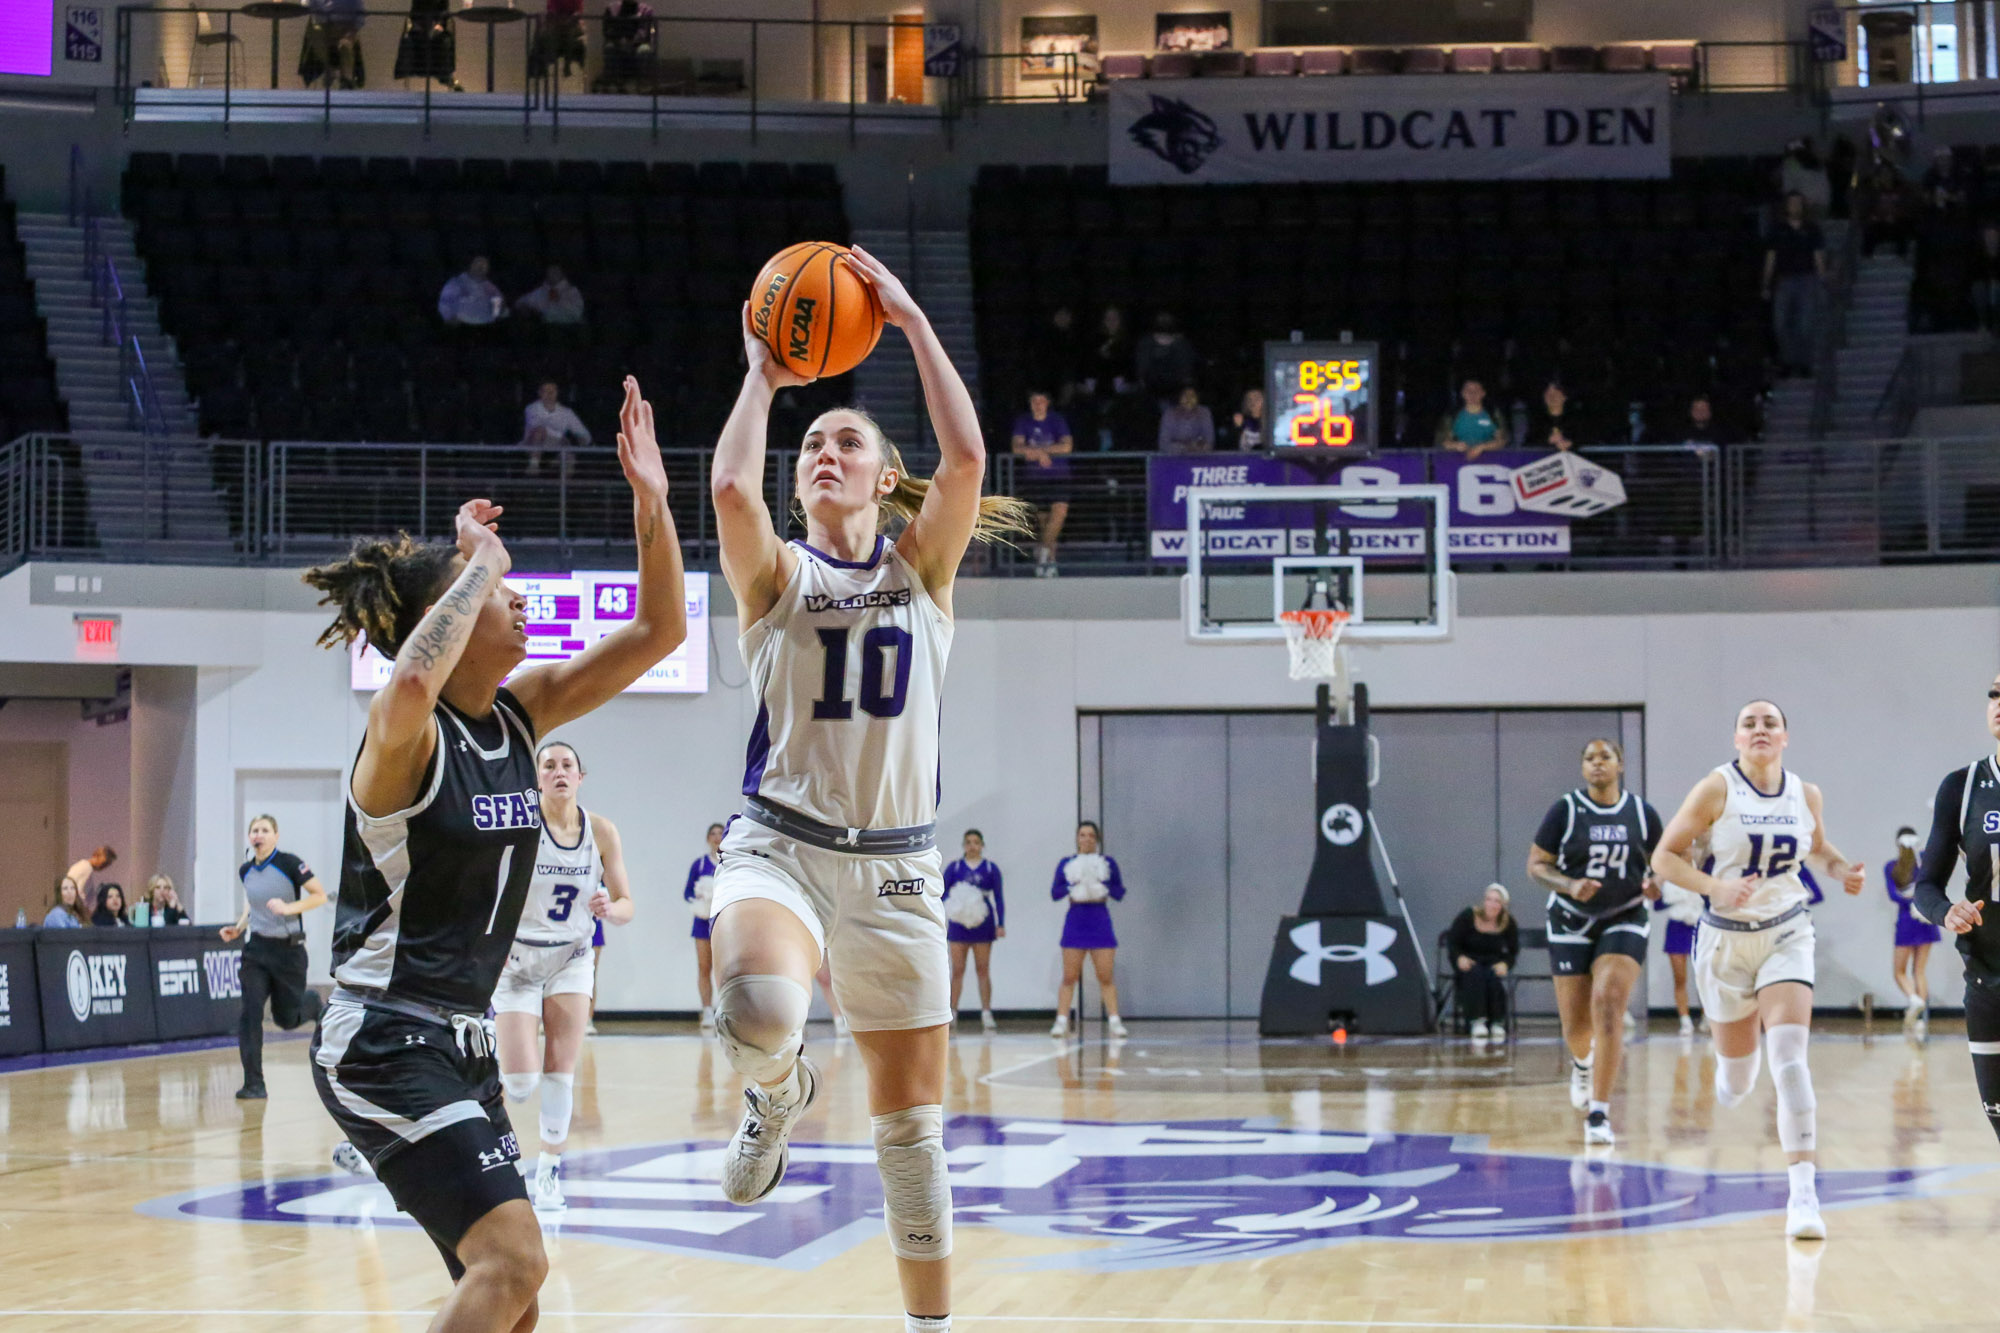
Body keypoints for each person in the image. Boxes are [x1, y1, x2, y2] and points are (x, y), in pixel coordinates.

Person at [299, 375, 684, 1326]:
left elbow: (659, 629)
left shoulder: (521, 714)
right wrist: (477, 566)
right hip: (383, 1035)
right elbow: (409, 682)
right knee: (511, 1261)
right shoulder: (403, 742)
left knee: (518, 1295)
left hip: (459, 1035)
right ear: (458, 617)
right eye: (502, 597)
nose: (519, 605)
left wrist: (653, 501)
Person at [704, 243, 1031, 1333]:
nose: (824, 452)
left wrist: (909, 323)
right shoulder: (775, 574)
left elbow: (970, 459)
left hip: (896, 862)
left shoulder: (919, 572)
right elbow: (726, 484)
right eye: (812, 444)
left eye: (846, 439)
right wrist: (763, 373)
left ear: (885, 476)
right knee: (756, 1011)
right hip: (780, 841)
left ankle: (927, 1329)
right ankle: (777, 1092)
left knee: (911, 1140)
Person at [1652, 699, 1867, 1240]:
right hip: (1724, 941)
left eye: (1770, 722)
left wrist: (1840, 868)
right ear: (1736, 739)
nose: (1760, 729)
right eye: (1750, 722)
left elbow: (1815, 847)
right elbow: (1665, 858)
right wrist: (1715, 887)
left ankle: (1803, 1197)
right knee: (1737, 1079)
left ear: (1785, 737)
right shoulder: (1715, 789)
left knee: (1790, 1059)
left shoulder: (1805, 793)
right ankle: (1727, 1074)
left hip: (1786, 932)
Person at [494, 740, 634, 1214]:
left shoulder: (601, 831)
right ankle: (493, 1138)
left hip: (572, 957)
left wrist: (610, 909)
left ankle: (549, 1171)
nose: (558, 771)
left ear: (580, 776)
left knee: (561, 1070)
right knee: (518, 1083)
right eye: (548, 765)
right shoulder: (518, 825)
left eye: (566, 765)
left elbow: (627, 904)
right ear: (536, 778)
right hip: (516, 962)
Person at [1527, 739, 1663, 1145]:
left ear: (1620, 765)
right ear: (1583, 768)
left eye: (1606, 756)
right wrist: (1570, 884)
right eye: (1590, 758)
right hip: (1571, 918)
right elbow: (1536, 865)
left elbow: (1669, 859)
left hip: (1625, 915)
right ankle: (1582, 1065)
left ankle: (1600, 1113)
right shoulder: (1566, 810)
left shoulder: (1641, 813)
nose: (1598, 763)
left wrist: (1658, 880)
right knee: (1576, 1026)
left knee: (1608, 1001)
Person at [1913, 671, 2000, 1145]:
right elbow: (1926, 884)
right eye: (1994, 693)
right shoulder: (1963, 786)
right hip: (1988, 974)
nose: (1998, 701)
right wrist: (1946, 911)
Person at [219, 814, 328, 1100]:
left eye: (265, 830)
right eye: (254, 830)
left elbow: (319, 896)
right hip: (257, 950)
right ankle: (254, 1083)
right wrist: (239, 927)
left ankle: (313, 1004)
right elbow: (251, 904)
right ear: (249, 837)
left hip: (288, 953)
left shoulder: (290, 864)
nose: (259, 834)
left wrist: (288, 908)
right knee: (250, 1012)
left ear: (276, 836)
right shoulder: (246, 870)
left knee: (286, 1019)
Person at [1050, 820, 1127, 1039]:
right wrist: (1072, 885)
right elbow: (1055, 893)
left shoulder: (1107, 862)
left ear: (1097, 839)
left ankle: (1114, 1021)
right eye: (1082, 835)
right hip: (1076, 920)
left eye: (1091, 835)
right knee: (1069, 976)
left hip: (1100, 919)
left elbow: (1120, 892)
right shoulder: (1067, 863)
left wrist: (1103, 885)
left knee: (1105, 976)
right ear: (1077, 838)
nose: (1087, 839)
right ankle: (1061, 1021)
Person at [942, 829, 1004, 1033]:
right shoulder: (955, 867)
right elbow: (941, 894)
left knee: (983, 969)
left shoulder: (990, 868)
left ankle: (986, 1013)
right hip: (959, 924)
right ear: (963, 845)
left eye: (976, 842)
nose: (972, 846)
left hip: (983, 922)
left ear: (982, 845)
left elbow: (999, 897)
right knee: (957, 970)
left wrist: (1000, 923)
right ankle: (952, 1013)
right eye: (968, 842)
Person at [1009, 391, 1073, 578]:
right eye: (1034, 401)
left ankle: (1043, 551)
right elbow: (1017, 447)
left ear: (1047, 402)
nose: (1038, 404)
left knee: (1059, 513)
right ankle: (1049, 562)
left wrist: (1038, 452)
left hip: (1059, 475)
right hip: (1035, 478)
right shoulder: (1024, 421)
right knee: (1044, 521)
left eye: (1041, 400)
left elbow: (1067, 446)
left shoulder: (1057, 420)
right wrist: (1042, 454)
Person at [1764, 192, 1826, 379]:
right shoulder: (1778, 229)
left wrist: (1823, 280)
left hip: (1806, 279)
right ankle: (1788, 362)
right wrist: (1766, 284)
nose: (1795, 206)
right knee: (1780, 324)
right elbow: (1771, 258)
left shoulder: (1812, 229)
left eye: (1798, 203)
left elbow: (1818, 257)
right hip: (1784, 280)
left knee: (1805, 325)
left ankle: (1804, 362)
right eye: (1792, 203)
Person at [1448, 883, 1518, 1041]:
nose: (1492, 904)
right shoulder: (1468, 916)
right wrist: (1459, 958)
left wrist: (1506, 964)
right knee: (1475, 975)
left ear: (1503, 905)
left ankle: (1497, 1022)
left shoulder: (1508, 923)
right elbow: (1453, 942)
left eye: (1497, 901)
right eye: (1489, 899)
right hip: (1470, 960)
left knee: (1493, 977)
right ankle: (1477, 1021)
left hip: (1493, 961)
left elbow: (1513, 951)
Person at [1884, 825, 1938, 1028]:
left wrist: (1909, 902)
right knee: (1919, 971)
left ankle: (1914, 1001)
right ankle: (1920, 1018)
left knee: (1899, 971)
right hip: (1924, 919)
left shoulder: (1894, 866)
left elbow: (1893, 896)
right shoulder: (1920, 862)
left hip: (1907, 921)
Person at [686, 822, 724, 1034]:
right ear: (708, 838)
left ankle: (725, 1010)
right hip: (702, 921)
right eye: (713, 834)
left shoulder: (729, 862)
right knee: (704, 966)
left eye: (720, 833)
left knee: (723, 967)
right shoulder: (699, 865)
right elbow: (687, 893)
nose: (717, 837)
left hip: (722, 922)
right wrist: (699, 897)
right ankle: (707, 1009)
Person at [522, 380, 592, 477]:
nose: (549, 394)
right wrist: (561, 437)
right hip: (533, 445)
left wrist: (581, 440)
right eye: (546, 391)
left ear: (557, 392)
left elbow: (584, 434)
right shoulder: (531, 408)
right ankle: (533, 465)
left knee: (570, 455)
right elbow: (537, 427)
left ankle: (565, 486)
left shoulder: (567, 412)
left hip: (557, 447)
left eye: (552, 391)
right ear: (539, 393)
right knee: (539, 431)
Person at [1435, 378, 1506, 460]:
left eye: (1476, 390)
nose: (1472, 394)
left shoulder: (1493, 414)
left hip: (1492, 460)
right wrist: (1455, 445)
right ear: (1462, 393)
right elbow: (1443, 441)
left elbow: (1502, 441)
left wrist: (1481, 447)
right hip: (1458, 460)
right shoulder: (1452, 415)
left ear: (1483, 393)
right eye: (1468, 390)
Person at [437, 257, 505, 329]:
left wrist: (496, 316)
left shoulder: (491, 287)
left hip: (486, 327)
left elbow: (498, 303)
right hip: (462, 326)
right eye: (478, 264)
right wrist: (448, 317)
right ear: (471, 265)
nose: (480, 267)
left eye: (484, 266)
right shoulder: (458, 282)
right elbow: (445, 301)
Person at [514, 266, 586, 328]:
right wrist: (523, 307)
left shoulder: (572, 291)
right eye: (550, 270)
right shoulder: (540, 291)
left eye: (556, 271)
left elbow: (575, 315)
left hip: (570, 331)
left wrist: (545, 315)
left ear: (562, 273)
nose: (552, 274)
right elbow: (521, 301)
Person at [1525, 380, 1587, 451]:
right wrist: (1548, 440)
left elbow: (1586, 439)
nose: (1552, 397)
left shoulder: (1576, 418)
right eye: (1548, 394)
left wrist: (1571, 443)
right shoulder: (1537, 420)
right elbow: (1528, 443)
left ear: (1564, 397)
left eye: (1556, 394)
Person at [1156, 385, 1215, 455]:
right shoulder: (1169, 414)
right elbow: (1163, 445)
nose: (1188, 399)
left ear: (1198, 399)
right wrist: (1186, 447)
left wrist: (1198, 447)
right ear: (1179, 398)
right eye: (1185, 396)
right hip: (1173, 458)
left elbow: (1209, 442)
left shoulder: (1205, 413)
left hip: (1199, 458)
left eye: (1192, 396)